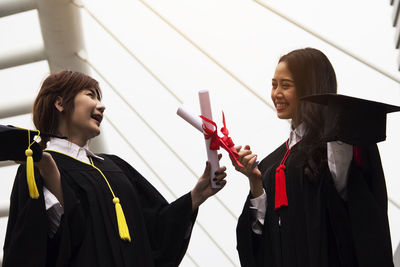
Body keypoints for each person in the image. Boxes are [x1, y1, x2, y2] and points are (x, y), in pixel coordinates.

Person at [2, 70, 227, 267]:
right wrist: (50, 171)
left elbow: (156, 231)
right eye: (90, 95)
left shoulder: (115, 166)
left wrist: (196, 196)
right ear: (60, 103)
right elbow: (38, 244)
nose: (102, 105)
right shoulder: (37, 167)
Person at [232, 48, 394, 267]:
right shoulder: (272, 163)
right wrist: (255, 182)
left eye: (285, 85)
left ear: (308, 89)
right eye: (274, 84)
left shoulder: (334, 146)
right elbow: (258, 237)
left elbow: (354, 207)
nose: (276, 93)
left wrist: (338, 129)